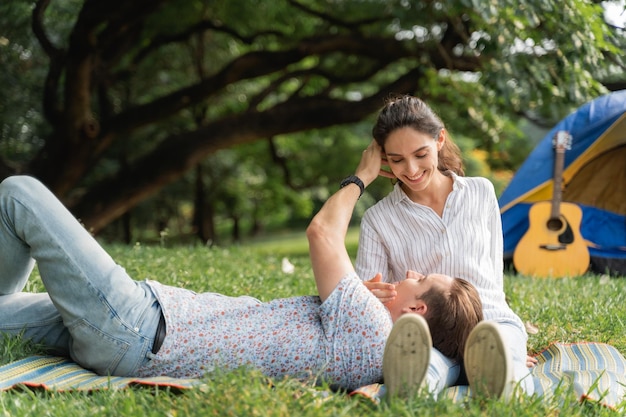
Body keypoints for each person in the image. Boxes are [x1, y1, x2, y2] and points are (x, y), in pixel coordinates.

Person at [0, 142, 481, 392]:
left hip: (135, 325)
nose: (407, 274)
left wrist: (363, 176)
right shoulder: (375, 344)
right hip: (139, 333)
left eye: (416, 280)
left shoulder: (372, 329)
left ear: (416, 310)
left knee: (20, 192)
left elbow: (321, 234)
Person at [356, 95, 536, 399]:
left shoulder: (481, 192)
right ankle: (412, 388)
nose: (411, 170)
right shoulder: (378, 219)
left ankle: (507, 375)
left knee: (506, 360)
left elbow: (492, 277)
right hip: (429, 330)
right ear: (383, 158)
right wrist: (368, 293)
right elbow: (366, 300)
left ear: (440, 140)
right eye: (397, 159)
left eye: (420, 154)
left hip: (489, 320)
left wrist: (511, 346)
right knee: (422, 368)